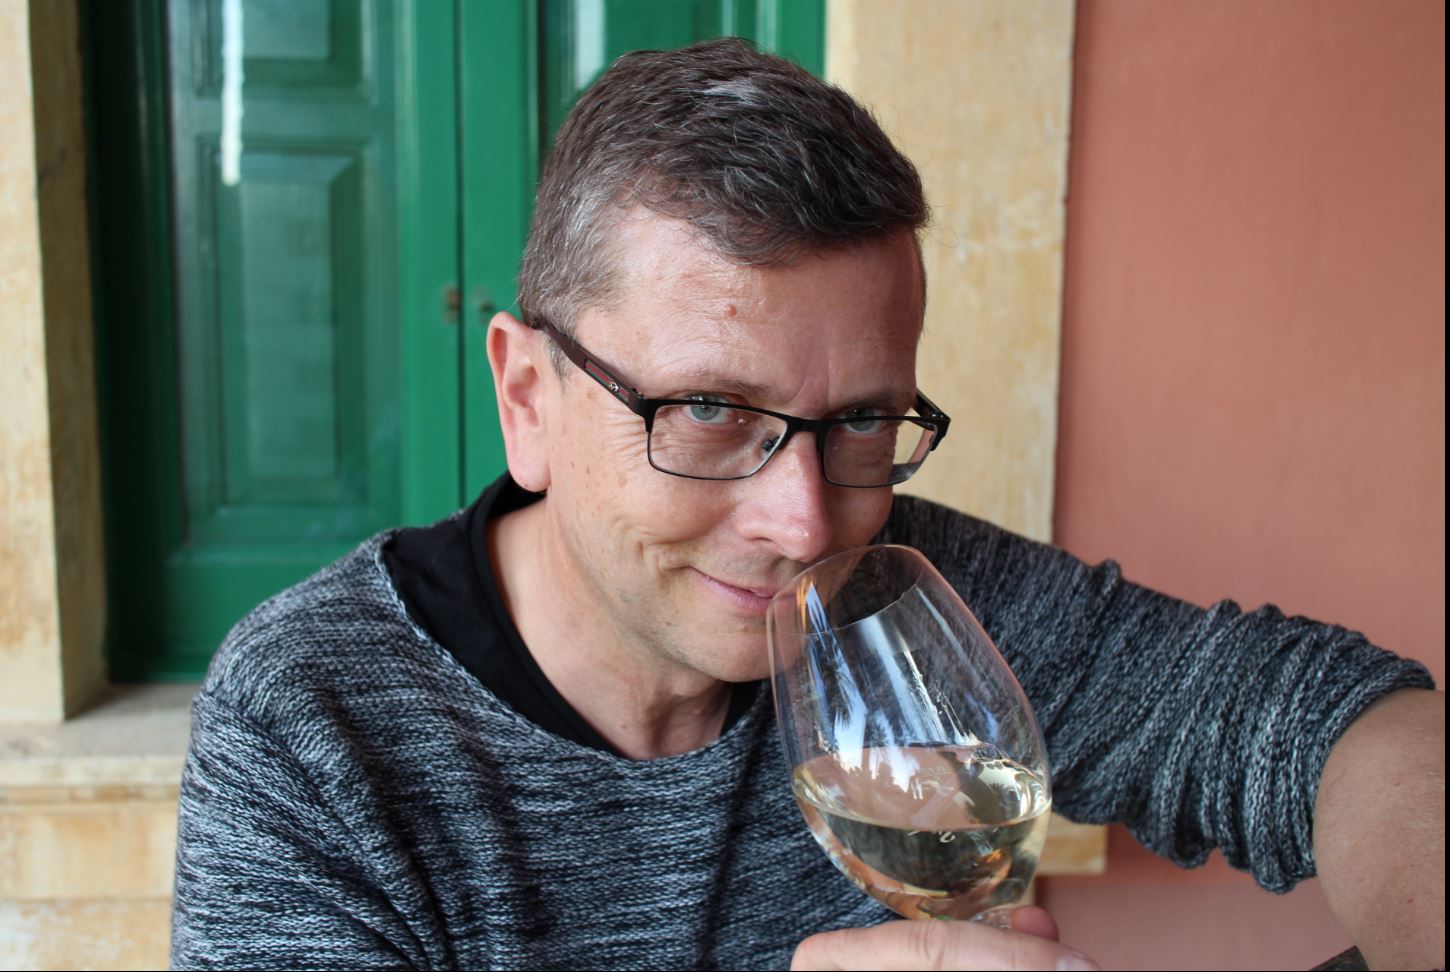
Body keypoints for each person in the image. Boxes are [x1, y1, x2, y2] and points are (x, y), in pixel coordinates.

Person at [170, 38, 1443, 971]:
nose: (805, 523)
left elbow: (1327, 717)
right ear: (527, 399)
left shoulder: (906, 598)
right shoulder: (310, 720)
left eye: (862, 423)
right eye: (707, 410)